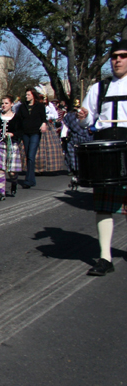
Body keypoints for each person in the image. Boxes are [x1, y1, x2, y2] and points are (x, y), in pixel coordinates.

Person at [76, 39, 127, 276]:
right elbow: (87, 120)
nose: (117, 60)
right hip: (106, 150)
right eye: (115, 56)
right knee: (104, 206)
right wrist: (83, 116)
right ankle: (105, 258)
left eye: (123, 56)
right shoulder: (99, 88)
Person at [0, 95, 23, 201]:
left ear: (12, 104)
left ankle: (14, 182)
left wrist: (12, 134)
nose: (4, 105)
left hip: (12, 145)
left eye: (6, 103)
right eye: (2, 103)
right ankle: (2, 193)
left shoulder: (17, 118)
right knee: (0, 169)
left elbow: (21, 132)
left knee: (12, 172)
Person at [14, 87, 47, 188]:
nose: (26, 96)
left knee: (31, 155)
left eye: (28, 95)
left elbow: (43, 118)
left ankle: (28, 179)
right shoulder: (22, 107)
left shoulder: (40, 106)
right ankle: (31, 179)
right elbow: (18, 120)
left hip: (35, 132)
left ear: (33, 95)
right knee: (28, 155)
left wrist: (44, 124)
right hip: (25, 133)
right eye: (26, 95)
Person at [33, 89, 66, 175]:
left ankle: (49, 167)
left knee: (49, 148)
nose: (43, 100)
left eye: (44, 98)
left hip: (48, 127)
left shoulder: (50, 106)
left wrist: (47, 116)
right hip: (37, 126)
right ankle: (37, 168)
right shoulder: (34, 106)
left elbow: (55, 116)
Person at [62, 99, 93, 176]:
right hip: (74, 137)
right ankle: (75, 169)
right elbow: (65, 125)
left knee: (83, 153)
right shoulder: (69, 115)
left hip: (85, 136)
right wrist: (64, 135)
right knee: (72, 153)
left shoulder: (86, 114)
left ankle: (83, 168)